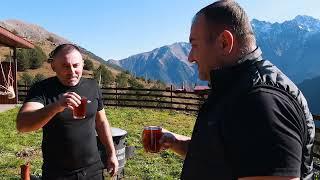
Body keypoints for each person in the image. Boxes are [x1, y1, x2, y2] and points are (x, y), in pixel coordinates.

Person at [159, 1, 315, 179]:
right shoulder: (237, 89)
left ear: (224, 42)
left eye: (194, 45)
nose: (190, 57)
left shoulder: (260, 103)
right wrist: (176, 142)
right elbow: (225, 155)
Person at [16, 44, 118, 179]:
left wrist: (111, 154)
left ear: (82, 64)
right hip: (58, 173)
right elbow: (22, 125)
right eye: (65, 66)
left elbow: (101, 122)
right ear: (53, 67)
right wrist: (56, 106)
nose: (71, 71)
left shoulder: (92, 86)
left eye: (75, 65)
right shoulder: (42, 89)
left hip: (93, 169)